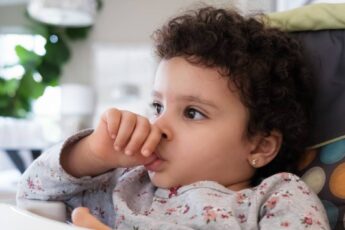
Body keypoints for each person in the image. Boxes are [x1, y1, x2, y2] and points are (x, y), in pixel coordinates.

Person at [17, 6, 330, 230]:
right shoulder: (127, 184)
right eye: (156, 107)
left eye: (193, 113)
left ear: (260, 146)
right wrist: (91, 154)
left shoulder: (274, 199)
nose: (158, 126)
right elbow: (33, 194)